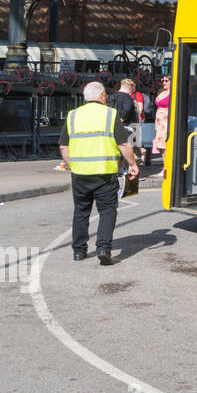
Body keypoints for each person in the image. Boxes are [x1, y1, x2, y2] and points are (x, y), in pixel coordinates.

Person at [60, 81, 139, 265]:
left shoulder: (73, 116)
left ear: (85, 97)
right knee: (107, 210)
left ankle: (79, 251)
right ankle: (103, 248)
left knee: (81, 211)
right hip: (105, 173)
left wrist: (73, 165)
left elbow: (64, 146)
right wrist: (132, 164)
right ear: (102, 96)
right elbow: (124, 144)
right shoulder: (110, 115)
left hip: (80, 174)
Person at [110, 78, 143, 165]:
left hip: (112, 127)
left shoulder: (111, 96)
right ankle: (128, 169)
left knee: (115, 149)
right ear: (129, 88)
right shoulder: (127, 97)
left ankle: (118, 169)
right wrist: (122, 118)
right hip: (127, 127)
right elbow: (127, 109)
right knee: (128, 149)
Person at [152, 75, 171, 162]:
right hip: (160, 123)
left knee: (165, 146)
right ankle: (164, 166)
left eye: (166, 81)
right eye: (162, 80)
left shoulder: (173, 93)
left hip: (166, 122)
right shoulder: (162, 92)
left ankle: (166, 166)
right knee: (161, 146)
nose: (164, 82)